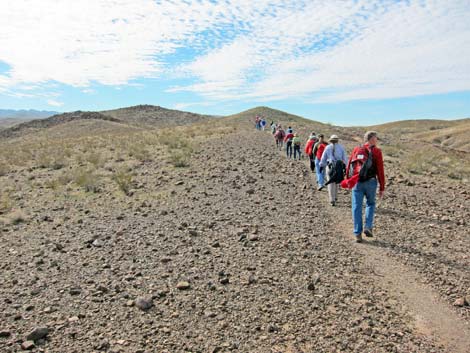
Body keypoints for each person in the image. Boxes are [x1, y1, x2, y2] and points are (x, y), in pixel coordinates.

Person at [344, 131, 385, 243]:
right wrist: (382, 187)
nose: (377, 140)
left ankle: (357, 233)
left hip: (357, 181)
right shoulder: (377, 151)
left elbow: (349, 166)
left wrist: (348, 180)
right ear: (372, 139)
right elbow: (380, 170)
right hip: (371, 182)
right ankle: (368, 226)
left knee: (356, 206)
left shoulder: (357, 149)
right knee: (370, 204)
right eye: (376, 138)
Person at [319, 135, 348, 206]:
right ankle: (335, 197)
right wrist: (346, 167)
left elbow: (323, 158)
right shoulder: (341, 147)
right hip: (339, 167)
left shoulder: (327, 147)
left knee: (330, 182)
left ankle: (332, 199)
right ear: (337, 140)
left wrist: (321, 165)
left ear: (331, 140)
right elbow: (345, 159)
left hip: (330, 166)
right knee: (336, 182)